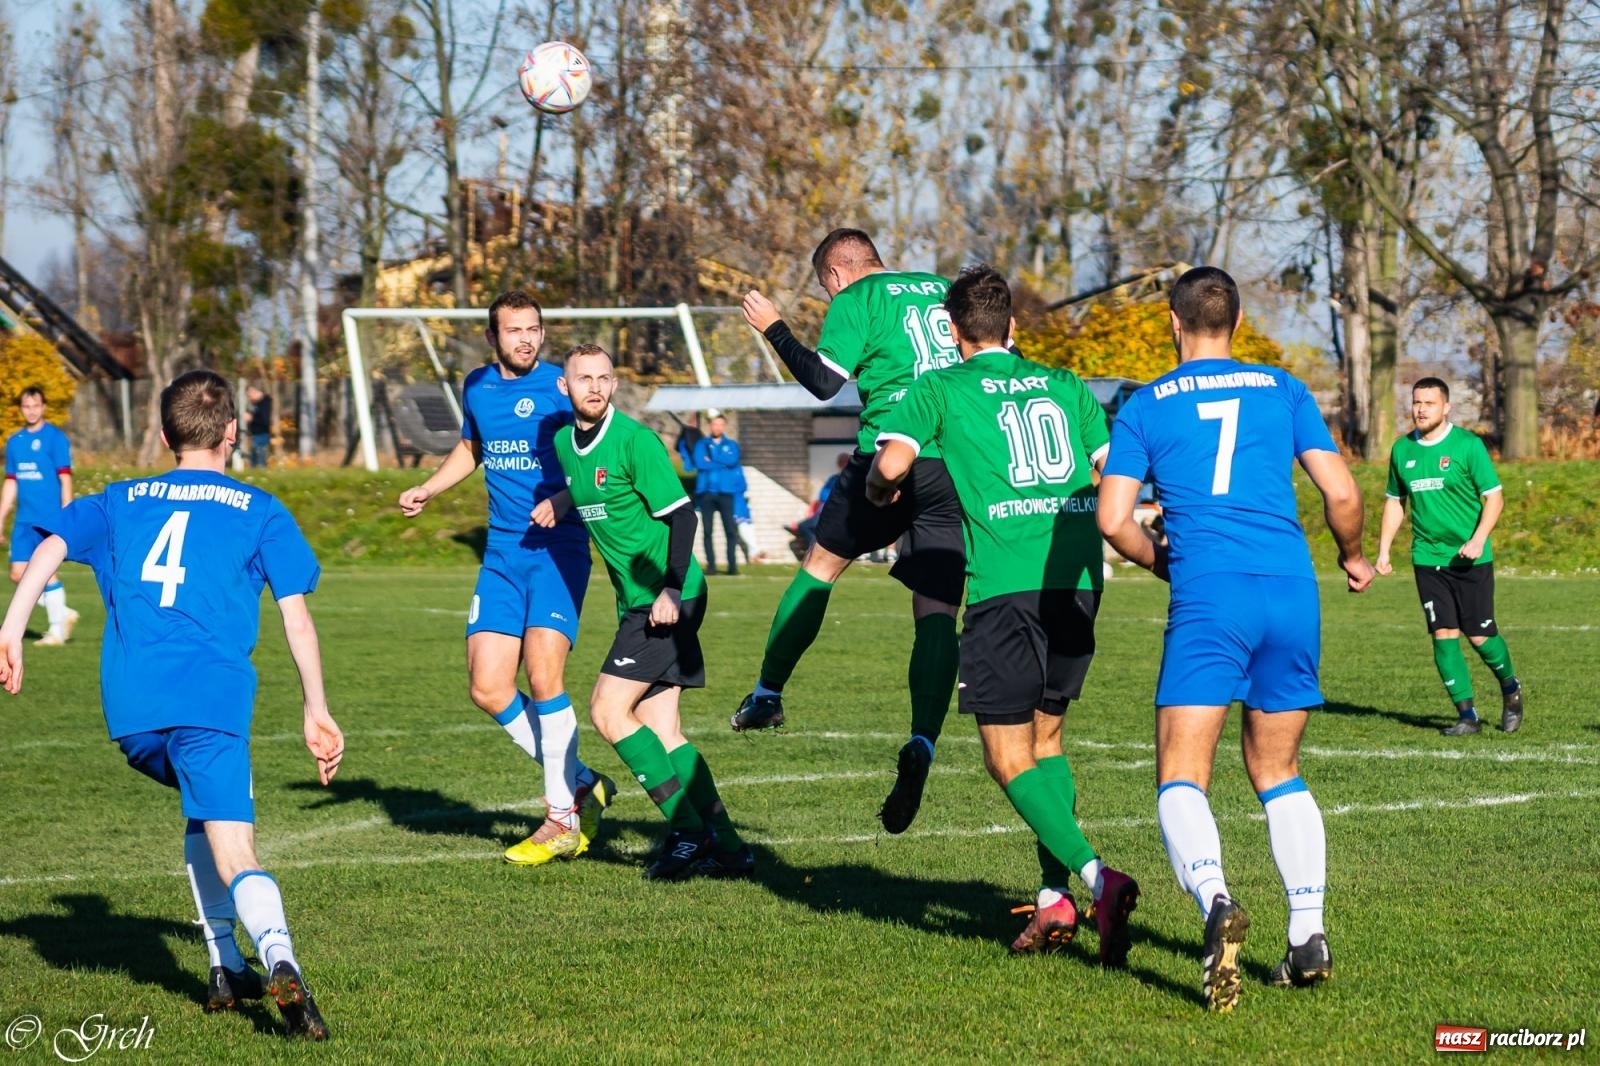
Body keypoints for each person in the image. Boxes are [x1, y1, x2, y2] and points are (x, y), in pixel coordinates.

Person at [0, 370, 344, 1039]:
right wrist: (316, 708)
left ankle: (224, 966)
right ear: (232, 432)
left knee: (202, 807)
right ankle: (281, 958)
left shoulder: (121, 498)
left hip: (133, 714)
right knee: (235, 846)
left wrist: (13, 629)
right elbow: (296, 619)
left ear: (164, 436)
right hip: (210, 702)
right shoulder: (259, 509)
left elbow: (50, 546)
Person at [1097, 266, 1374, 1013]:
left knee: (1182, 774)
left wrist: (1165, 563)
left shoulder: (1145, 404)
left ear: (1173, 323)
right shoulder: (1283, 388)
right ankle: (1308, 935)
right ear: (1239, 321)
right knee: (1279, 769)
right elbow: (1342, 492)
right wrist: (1353, 556)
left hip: (1211, 594)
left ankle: (1217, 899)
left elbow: (1113, 519)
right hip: (1290, 590)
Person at [868, 266, 1140, 963]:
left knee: (1006, 756)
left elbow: (891, 467)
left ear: (951, 332)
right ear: (1013, 326)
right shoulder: (1066, 385)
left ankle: (1098, 880)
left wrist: (874, 491)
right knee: (1048, 743)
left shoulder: (939, 387)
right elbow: (1114, 469)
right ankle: (1054, 902)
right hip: (1078, 581)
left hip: (1006, 587)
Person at [736, 228, 964, 834]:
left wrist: (774, 328)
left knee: (820, 566)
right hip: (954, 462)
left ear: (836, 275)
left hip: (888, 453)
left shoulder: (856, 298)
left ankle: (767, 693)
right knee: (937, 607)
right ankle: (923, 739)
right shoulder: (943, 288)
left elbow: (823, 382)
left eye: (825, 288)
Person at [398, 290, 614, 867]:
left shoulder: (562, 387)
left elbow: (602, 457)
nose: (527, 339)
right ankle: (583, 782)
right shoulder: (477, 386)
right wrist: (429, 487)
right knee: (489, 687)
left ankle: (560, 818)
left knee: (544, 676)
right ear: (492, 337)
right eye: (515, 330)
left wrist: (565, 501)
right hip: (501, 555)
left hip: (557, 552)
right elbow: (472, 447)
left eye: (534, 329)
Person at [541, 344, 754, 879]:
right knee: (662, 729)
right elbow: (587, 486)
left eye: (603, 378)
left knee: (608, 712)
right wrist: (560, 503)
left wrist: (670, 592)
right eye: (583, 378)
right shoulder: (565, 443)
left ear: (614, 385)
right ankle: (730, 849)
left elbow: (684, 518)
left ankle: (687, 831)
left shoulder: (636, 441)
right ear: (564, 387)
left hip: (665, 599)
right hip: (640, 602)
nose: (594, 387)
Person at [1376, 378, 1523, 735]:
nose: (1421, 409)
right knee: (1443, 632)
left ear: (1446, 407)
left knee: (1480, 636)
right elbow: (1395, 501)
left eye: (1429, 402)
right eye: (1416, 402)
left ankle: (1511, 689)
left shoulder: (1467, 445)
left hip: (1469, 558)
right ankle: (1467, 716)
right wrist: (1383, 550)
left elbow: (1494, 497)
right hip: (1428, 558)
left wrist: (1478, 539)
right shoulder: (1402, 450)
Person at [0, 387, 78, 645]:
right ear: (21, 409)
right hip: (24, 521)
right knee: (17, 574)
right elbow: (11, 482)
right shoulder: (15, 442)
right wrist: (1, 518)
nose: (31, 411)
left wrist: (67, 512)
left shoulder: (55, 438)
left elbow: (65, 477)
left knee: (45, 573)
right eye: (26, 406)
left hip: (48, 519)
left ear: (43, 407)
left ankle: (57, 631)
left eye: (36, 405)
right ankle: (62, 612)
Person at [691, 414, 742, 575]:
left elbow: (733, 461)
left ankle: (732, 567)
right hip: (706, 493)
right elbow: (700, 463)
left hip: (726, 493)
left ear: (724, 426)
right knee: (707, 531)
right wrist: (722, 462)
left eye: (720, 424)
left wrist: (712, 457)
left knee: (730, 530)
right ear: (710, 426)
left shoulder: (731, 444)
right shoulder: (702, 444)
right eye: (714, 424)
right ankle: (711, 566)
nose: (717, 427)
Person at [246, 384, 273, 469]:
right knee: (254, 459)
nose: (249, 398)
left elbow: (265, 420)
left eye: (250, 395)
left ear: (255, 392)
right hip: (256, 434)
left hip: (262, 434)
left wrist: (252, 418)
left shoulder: (265, 403)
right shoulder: (257, 404)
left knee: (260, 458)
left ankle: (260, 470)